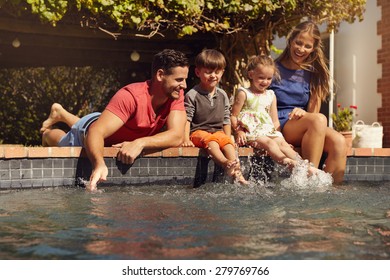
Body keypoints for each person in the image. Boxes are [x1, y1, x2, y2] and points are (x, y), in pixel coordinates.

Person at [40, 49, 189, 191]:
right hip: (88, 130)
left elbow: (177, 136)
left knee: (100, 124)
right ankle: (48, 133)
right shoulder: (131, 96)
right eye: (179, 80)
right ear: (160, 75)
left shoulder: (175, 94)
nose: (184, 85)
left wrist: (140, 142)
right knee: (63, 141)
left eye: (185, 80)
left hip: (109, 121)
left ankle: (61, 114)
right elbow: (96, 131)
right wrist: (98, 164)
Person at [269, 21, 347, 183]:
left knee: (339, 141)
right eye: (298, 43)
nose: (301, 49)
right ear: (290, 40)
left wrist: (305, 114)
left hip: (306, 124)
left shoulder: (314, 73)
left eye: (307, 46)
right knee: (319, 119)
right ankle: (308, 181)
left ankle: (332, 191)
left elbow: (313, 113)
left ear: (313, 48)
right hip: (281, 123)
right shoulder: (272, 69)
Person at [231, 55, 320, 175]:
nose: (265, 82)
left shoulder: (271, 95)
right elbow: (233, 116)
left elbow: (275, 120)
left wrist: (280, 137)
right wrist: (239, 131)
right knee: (270, 143)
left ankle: (304, 166)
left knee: (283, 144)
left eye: (269, 78)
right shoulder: (244, 93)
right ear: (251, 75)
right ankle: (287, 162)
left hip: (268, 130)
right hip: (252, 132)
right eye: (261, 78)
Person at [182, 49, 248, 185]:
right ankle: (225, 163)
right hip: (198, 132)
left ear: (222, 72)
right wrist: (184, 139)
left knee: (228, 144)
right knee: (211, 141)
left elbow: (226, 118)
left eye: (217, 72)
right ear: (198, 72)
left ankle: (238, 173)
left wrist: (229, 137)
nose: (213, 76)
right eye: (208, 72)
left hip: (217, 132)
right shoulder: (192, 95)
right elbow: (187, 119)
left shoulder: (222, 94)